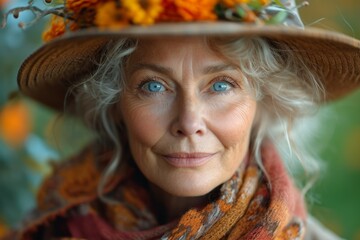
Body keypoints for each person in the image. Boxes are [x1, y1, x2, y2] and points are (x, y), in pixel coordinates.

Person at [2, 0, 360, 239]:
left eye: (221, 85)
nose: (189, 122)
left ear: (263, 104)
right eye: (154, 86)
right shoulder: (54, 227)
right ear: (113, 104)